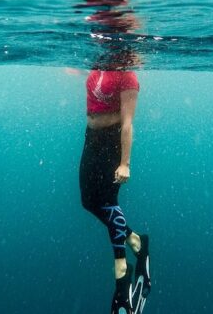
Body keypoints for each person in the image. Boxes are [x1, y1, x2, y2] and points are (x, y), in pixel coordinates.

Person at [79, 59, 151, 313]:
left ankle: (121, 269)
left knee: (108, 202)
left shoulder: (128, 77)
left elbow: (128, 123)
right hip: (91, 137)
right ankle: (135, 240)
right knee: (88, 201)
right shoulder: (99, 60)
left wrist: (125, 164)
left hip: (111, 142)